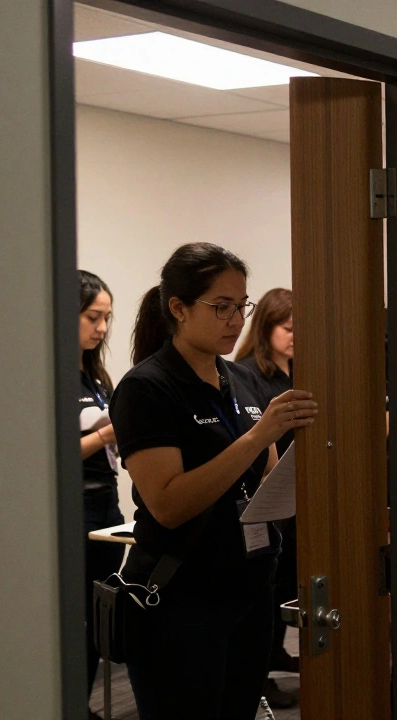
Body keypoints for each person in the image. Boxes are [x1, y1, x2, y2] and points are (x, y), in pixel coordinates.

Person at [110, 243, 317, 720]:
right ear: (178, 309)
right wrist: (260, 435)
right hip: (182, 598)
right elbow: (168, 504)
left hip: (249, 590)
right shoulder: (148, 388)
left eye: (240, 306)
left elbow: (263, 478)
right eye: (221, 307)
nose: (235, 319)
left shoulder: (240, 381)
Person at [233, 288, 299, 707]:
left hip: (291, 494)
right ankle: (259, 675)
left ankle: (274, 653)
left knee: (286, 577)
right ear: (266, 328)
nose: (296, 336)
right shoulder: (247, 375)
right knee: (268, 585)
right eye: (289, 328)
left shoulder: (296, 370)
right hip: (263, 496)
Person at [77, 270, 124, 719]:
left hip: (105, 499)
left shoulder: (94, 377)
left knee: (98, 611)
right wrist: (108, 433)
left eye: (107, 318)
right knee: (76, 614)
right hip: (77, 506)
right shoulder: (51, 376)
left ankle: (83, 700)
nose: (102, 329)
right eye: (93, 317)